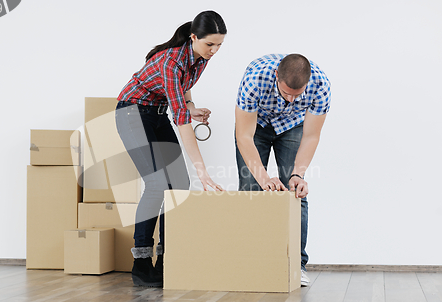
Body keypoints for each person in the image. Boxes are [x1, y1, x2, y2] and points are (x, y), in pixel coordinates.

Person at [115, 11, 227, 287]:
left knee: (178, 183)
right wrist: (202, 171)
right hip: (131, 113)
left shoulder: (200, 59)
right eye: (209, 44)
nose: (214, 51)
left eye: (219, 45)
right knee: (156, 185)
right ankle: (141, 263)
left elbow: (183, 89)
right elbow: (181, 122)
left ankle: (166, 260)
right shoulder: (170, 61)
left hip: (157, 112)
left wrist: (191, 108)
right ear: (193, 38)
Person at [235, 53, 331, 287]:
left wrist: (298, 175)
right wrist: (264, 177)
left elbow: (311, 136)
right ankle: (250, 261)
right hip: (255, 126)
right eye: (285, 92)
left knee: (296, 191)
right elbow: (244, 136)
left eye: (296, 95)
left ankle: (297, 264)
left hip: (292, 127)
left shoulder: (321, 86)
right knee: (251, 188)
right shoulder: (254, 80)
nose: (290, 99)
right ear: (276, 75)